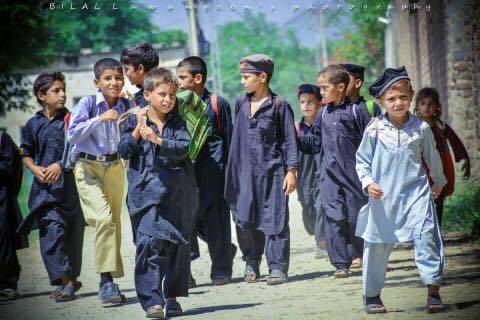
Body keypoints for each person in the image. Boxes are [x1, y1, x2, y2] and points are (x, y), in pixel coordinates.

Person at [356, 66, 447, 314]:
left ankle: (433, 289)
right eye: (391, 99)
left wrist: (438, 183)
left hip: (416, 194)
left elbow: (432, 158)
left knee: (427, 237)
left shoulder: (421, 128)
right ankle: (372, 294)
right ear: (381, 101)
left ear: (411, 97)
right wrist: (368, 183)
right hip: (383, 198)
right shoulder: (374, 129)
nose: (398, 103)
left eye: (403, 97)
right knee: (376, 244)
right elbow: (362, 161)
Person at [118, 68, 198, 318]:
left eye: (172, 95)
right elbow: (123, 150)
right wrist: (138, 131)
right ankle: (152, 301)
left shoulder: (177, 121)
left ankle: (172, 296)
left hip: (177, 194)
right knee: (148, 244)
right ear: (148, 94)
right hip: (145, 194)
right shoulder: (132, 119)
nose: (168, 100)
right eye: (162, 94)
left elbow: (184, 148)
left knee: (175, 246)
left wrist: (158, 140)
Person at [224, 54, 298, 285]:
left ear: (263, 77)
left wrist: (291, 171)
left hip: (273, 173)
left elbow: (289, 141)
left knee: (275, 219)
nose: (243, 81)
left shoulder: (280, 105)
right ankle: (251, 260)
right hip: (244, 173)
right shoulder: (241, 102)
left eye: (246, 77)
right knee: (244, 218)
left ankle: (277, 267)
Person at [67, 58, 131, 305]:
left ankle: (111, 281)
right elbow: (72, 134)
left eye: (118, 77)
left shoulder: (126, 103)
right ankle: (106, 281)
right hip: (88, 167)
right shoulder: (89, 103)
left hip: (114, 167)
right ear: (97, 82)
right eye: (107, 78)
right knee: (103, 220)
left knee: (113, 222)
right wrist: (100, 119)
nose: (113, 82)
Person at [297, 65, 370, 277]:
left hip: (354, 177)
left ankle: (361, 253)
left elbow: (371, 143)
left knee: (356, 218)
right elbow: (314, 143)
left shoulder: (357, 111)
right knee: (334, 218)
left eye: (324, 87)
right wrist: (295, 137)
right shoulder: (323, 114)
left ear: (340, 87)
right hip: (329, 177)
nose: (320, 92)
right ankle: (340, 264)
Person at [19, 72, 84, 302]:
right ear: (41, 95)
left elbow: (78, 148)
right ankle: (66, 282)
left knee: (72, 237)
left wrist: (59, 164)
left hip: (70, 189)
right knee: (51, 234)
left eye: (63, 89)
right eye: (56, 90)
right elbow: (26, 154)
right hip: (45, 193)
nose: (63, 94)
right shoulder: (32, 124)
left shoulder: (73, 119)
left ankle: (70, 278)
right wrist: (35, 169)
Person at [177, 56, 236, 286]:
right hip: (188, 171)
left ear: (198, 78)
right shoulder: (178, 103)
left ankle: (221, 270)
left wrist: (231, 174)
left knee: (216, 218)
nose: (179, 82)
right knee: (192, 217)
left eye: (183, 77)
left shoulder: (216, 104)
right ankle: (224, 249)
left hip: (214, 170)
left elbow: (229, 140)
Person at [414, 87, 470, 226]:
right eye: (423, 103)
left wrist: (465, 159)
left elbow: (455, 142)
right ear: (417, 106)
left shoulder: (441, 127)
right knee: (421, 203)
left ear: (437, 107)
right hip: (421, 170)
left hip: (441, 170)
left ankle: (436, 232)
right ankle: (423, 234)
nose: (427, 107)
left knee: (437, 202)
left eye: (431, 104)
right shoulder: (413, 127)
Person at [295, 84, 326, 257]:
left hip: (322, 174)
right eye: (302, 102)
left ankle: (321, 243)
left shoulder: (325, 125)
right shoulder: (296, 128)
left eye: (310, 102)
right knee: (308, 208)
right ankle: (316, 232)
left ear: (320, 103)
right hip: (304, 178)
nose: (306, 105)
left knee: (321, 205)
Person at [0, 130, 28, 301]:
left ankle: (6, 285)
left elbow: (11, 167)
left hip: (1, 196)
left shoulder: (2, 138)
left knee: (3, 240)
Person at [120, 42, 159, 107]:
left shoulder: (161, 96)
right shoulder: (137, 97)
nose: (125, 73)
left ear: (140, 68)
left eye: (126, 69)